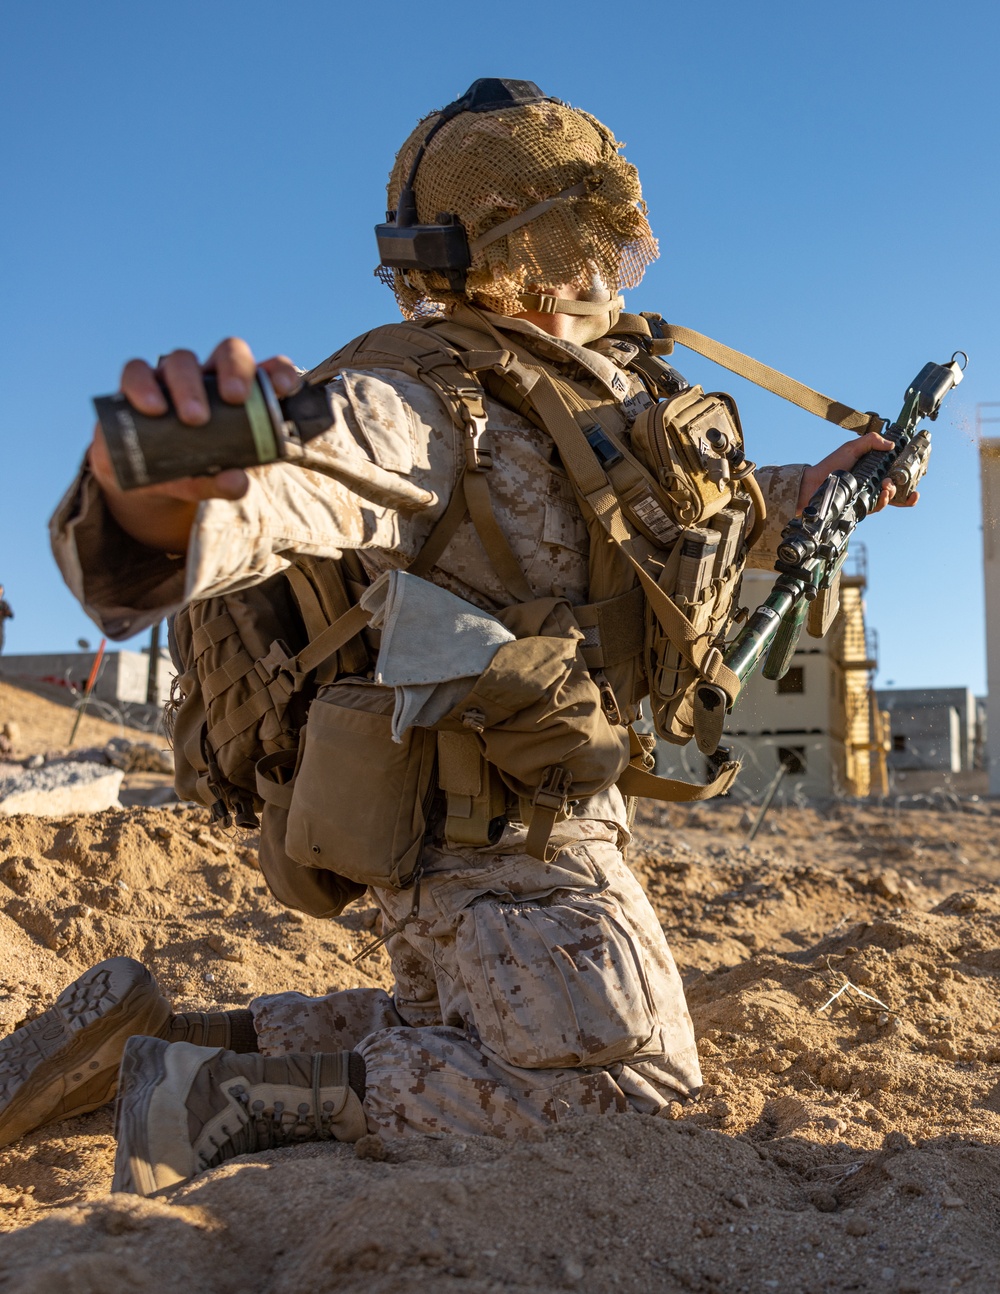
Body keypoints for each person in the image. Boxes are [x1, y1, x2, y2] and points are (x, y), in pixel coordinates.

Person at [8, 79, 910, 1196]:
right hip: (487, 832)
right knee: (617, 1091)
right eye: (599, 238)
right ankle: (174, 1101)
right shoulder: (424, 397)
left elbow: (672, 520)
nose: (618, 264)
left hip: (530, 822)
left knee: (455, 1024)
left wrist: (825, 490)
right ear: (553, 240)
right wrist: (156, 493)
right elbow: (283, 485)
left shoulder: (587, 391)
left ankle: (148, 1043)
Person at [0, 585, 12, 654]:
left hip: (0, 625)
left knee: (0, 640)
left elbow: (11, 614)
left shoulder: (4, 603)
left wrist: (5, 612)